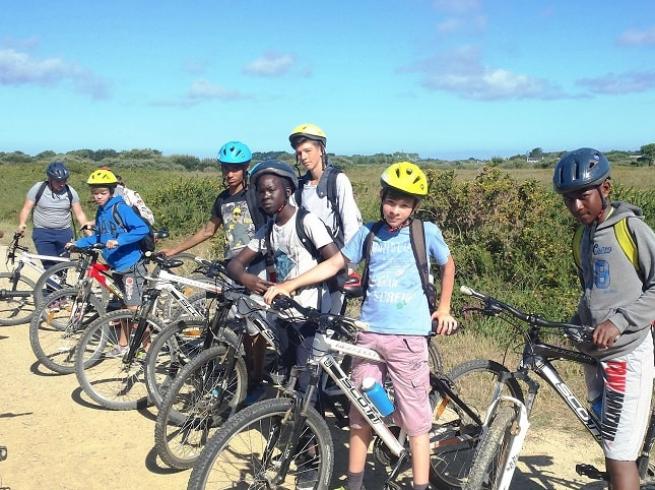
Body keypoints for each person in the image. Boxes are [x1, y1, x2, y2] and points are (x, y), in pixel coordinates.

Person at [265, 162, 458, 490]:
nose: (395, 210)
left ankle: (420, 483)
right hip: (367, 335)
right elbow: (335, 263)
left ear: (414, 208)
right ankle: (355, 483)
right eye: (391, 201)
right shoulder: (368, 232)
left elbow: (447, 264)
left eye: (404, 204)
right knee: (360, 417)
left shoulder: (426, 232)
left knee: (416, 425)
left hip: (408, 338)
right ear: (381, 197)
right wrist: (290, 285)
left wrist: (443, 307)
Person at [553, 148, 655, 490]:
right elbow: (594, 291)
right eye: (569, 200)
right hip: (597, 356)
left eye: (583, 196)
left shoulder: (630, 228)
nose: (576, 207)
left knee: (618, 457)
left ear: (605, 189)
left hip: (628, 353)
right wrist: (574, 321)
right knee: (609, 438)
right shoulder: (583, 237)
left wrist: (620, 322)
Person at [227, 159, 340, 405]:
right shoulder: (267, 230)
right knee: (288, 371)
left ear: (287, 192)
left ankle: (313, 438)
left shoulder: (306, 222)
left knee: (304, 381)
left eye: (271, 190)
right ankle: (297, 427)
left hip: (308, 314)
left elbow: (336, 261)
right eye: (260, 191)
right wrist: (248, 278)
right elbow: (235, 264)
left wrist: (291, 285)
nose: (265, 196)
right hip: (282, 315)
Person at [72, 169, 150, 356]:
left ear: (111, 191)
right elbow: (99, 236)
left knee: (134, 309)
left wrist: (120, 240)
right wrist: (78, 243)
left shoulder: (120, 208)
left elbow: (142, 228)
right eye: (95, 193)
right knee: (123, 306)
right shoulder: (101, 211)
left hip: (131, 264)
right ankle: (123, 345)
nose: (98, 196)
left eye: (102, 193)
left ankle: (149, 349)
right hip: (117, 266)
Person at [289, 123, 363, 313]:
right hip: (308, 267)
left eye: (307, 150)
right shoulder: (300, 187)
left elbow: (350, 224)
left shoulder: (337, 180)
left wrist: (349, 267)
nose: (303, 156)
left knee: (329, 325)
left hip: (335, 264)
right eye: (299, 152)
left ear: (321, 149)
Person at [160, 140, 265, 259]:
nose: (230, 174)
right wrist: (173, 251)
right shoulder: (222, 199)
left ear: (246, 167)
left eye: (235, 169)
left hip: (257, 262)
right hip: (233, 263)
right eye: (226, 169)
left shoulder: (256, 194)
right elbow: (207, 231)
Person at [16, 161, 91, 270]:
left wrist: (89, 233)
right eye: (58, 181)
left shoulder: (70, 192)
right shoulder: (38, 188)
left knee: (62, 268)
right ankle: (49, 287)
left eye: (64, 180)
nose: (62, 184)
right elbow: (26, 208)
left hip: (64, 234)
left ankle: (60, 287)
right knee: (50, 267)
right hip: (43, 233)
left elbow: (79, 214)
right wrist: (22, 223)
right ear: (50, 179)